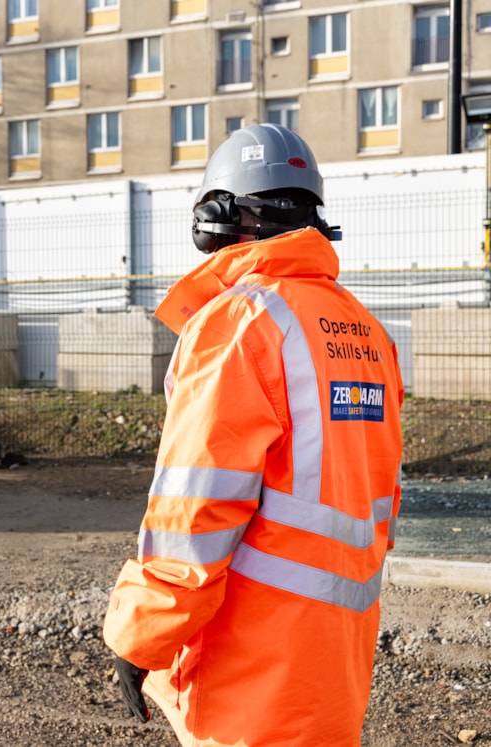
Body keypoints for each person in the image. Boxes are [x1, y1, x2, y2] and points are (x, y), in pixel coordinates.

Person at [103, 123, 404, 746]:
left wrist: (143, 636)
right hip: (334, 664)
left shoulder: (239, 324)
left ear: (217, 218)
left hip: (251, 667)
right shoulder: (367, 333)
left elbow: (197, 512)